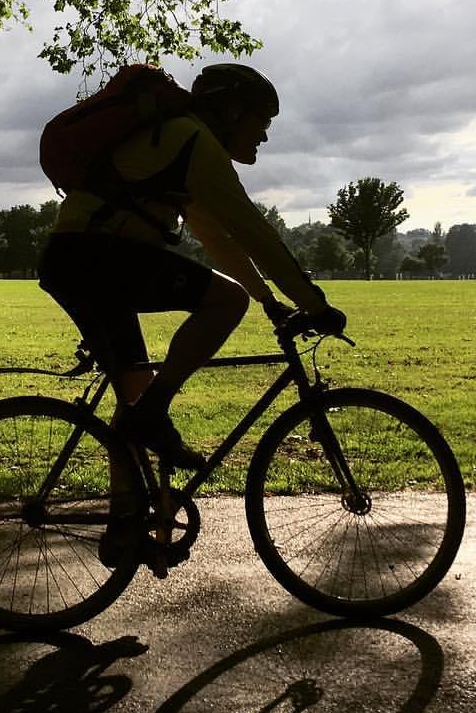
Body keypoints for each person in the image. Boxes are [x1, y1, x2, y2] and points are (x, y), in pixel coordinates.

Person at [38, 63, 346, 469]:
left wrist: (269, 299)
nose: (265, 134)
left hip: (79, 259)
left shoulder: (177, 143)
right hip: (97, 257)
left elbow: (219, 239)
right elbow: (253, 232)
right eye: (262, 121)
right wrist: (314, 304)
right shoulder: (194, 140)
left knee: (135, 399)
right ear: (233, 113)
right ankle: (152, 414)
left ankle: (128, 525)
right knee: (226, 302)